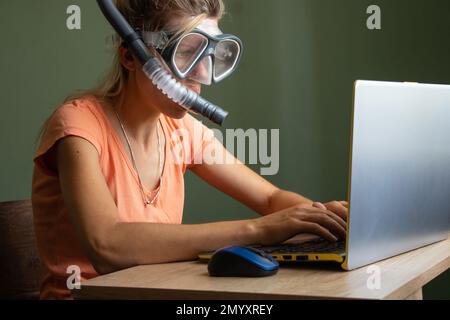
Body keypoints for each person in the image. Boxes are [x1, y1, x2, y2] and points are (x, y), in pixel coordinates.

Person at [32, 0, 348, 299]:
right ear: (131, 56)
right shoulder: (78, 126)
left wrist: (327, 221)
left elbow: (270, 199)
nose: (202, 75)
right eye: (187, 52)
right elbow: (107, 245)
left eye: (211, 55)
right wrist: (257, 230)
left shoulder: (184, 133)